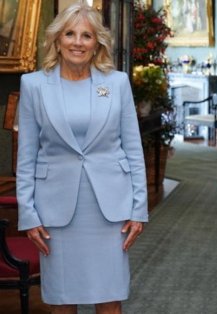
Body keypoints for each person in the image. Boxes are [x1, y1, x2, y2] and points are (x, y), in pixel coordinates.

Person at [17, 3, 148, 313]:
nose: (78, 42)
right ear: (57, 40)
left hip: (109, 211)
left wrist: (138, 208)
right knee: (62, 300)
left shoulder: (116, 83)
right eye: (70, 34)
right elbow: (26, 156)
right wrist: (29, 214)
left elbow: (133, 149)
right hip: (56, 213)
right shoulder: (33, 85)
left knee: (109, 299)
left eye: (86, 35)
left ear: (97, 42)